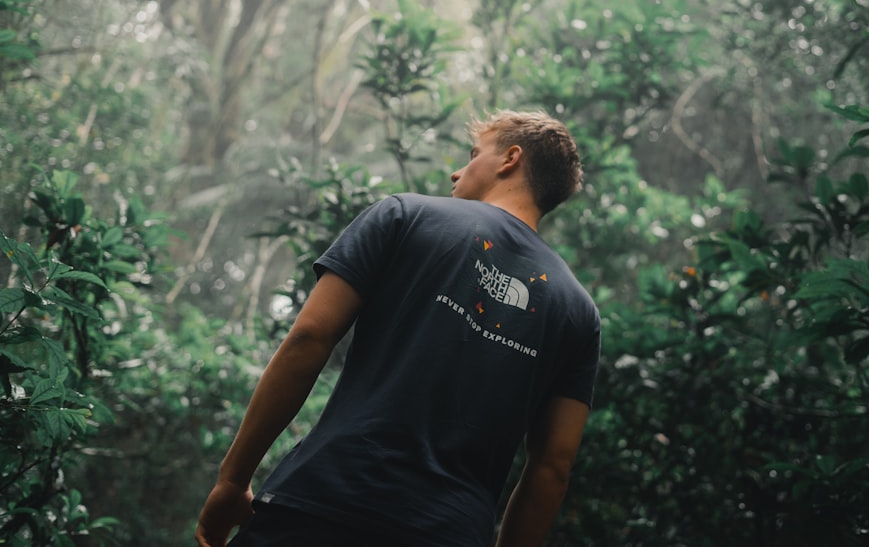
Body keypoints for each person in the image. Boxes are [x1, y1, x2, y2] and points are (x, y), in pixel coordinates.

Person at [195, 110, 601, 547]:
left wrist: (233, 480)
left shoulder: (404, 217)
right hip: (448, 531)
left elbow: (309, 338)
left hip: (323, 501)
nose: (457, 171)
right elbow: (552, 467)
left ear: (510, 159)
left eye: (472, 155)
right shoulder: (578, 311)